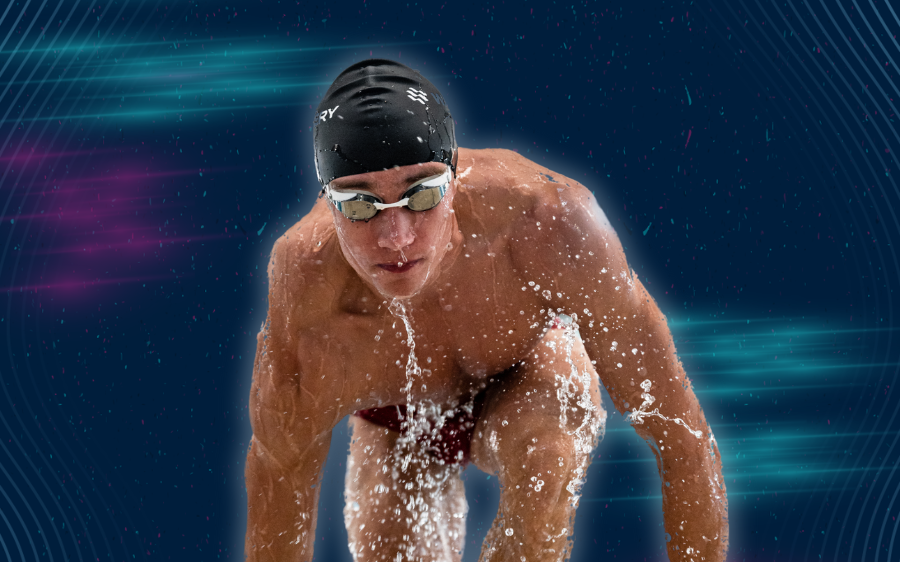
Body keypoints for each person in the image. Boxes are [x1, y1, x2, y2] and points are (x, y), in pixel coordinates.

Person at [244, 59, 728, 562]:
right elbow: (280, 477)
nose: (397, 237)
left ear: (454, 180)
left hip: (528, 369)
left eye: (422, 194)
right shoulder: (308, 288)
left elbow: (684, 439)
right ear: (328, 202)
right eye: (360, 205)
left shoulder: (550, 222)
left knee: (546, 461)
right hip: (395, 416)